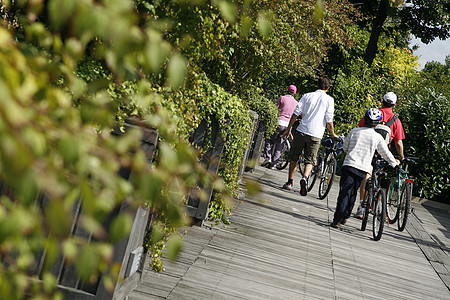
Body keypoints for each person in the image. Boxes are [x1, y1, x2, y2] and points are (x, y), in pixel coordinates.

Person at [331, 108, 400, 228]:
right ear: (377, 123)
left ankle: (337, 219)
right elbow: (385, 153)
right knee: (353, 192)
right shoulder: (377, 137)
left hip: (349, 165)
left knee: (344, 192)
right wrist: (394, 163)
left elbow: (345, 148)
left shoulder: (354, 131)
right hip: (362, 168)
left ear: (365, 120)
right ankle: (345, 216)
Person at [281, 77, 337, 196]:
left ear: (317, 85)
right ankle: (305, 178)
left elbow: (296, 113)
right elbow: (329, 119)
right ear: (328, 88)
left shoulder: (307, 96)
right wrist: (332, 133)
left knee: (294, 157)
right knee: (310, 160)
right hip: (316, 134)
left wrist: (288, 129)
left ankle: (290, 182)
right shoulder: (329, 100)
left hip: (301, 130)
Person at [354, 92, 406, 219]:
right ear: (393, 104)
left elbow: (360, 127)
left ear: (382, 101)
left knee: (367, 176)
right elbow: (398, 142)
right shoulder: (396, 120)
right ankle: (376, 198)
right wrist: (401, 157)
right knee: (377, 175)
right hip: (382, 153)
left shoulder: (373, 113)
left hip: (369, 150)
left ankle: (362, 206)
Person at [261, 85, 299, 169]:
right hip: (287, 125)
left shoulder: (282, 98)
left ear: (287, 90)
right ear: (295, 93)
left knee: (269, 139)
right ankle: (274, 164)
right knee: (280, 144)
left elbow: (275, 109)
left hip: (278, 122)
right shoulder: (296, 103)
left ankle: (268, 158)